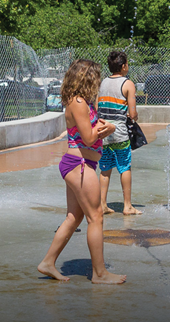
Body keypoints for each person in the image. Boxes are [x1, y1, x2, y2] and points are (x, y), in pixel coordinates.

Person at [37, 60, 125, 285]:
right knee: (95, 217)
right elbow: (88, 137)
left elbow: (89, 132)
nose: (98, 81)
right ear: (87, 78)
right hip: (80, 165)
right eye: (95, 77)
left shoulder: (82, 103)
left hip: (80, 164)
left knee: (74, 217)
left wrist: (104, 127)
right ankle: (99, 274)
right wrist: (110, 128)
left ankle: (48, 262)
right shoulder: (78, 103)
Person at [97, 50, 142, 216]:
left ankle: (102, 204)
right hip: (119, 132)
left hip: (102, 132)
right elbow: (132, 113)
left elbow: (97, 109)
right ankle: (127, 206)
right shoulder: (128, 84)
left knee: (105, 169)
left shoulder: (102, 83)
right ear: (123, 66)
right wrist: (134, 117)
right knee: (124, 167)